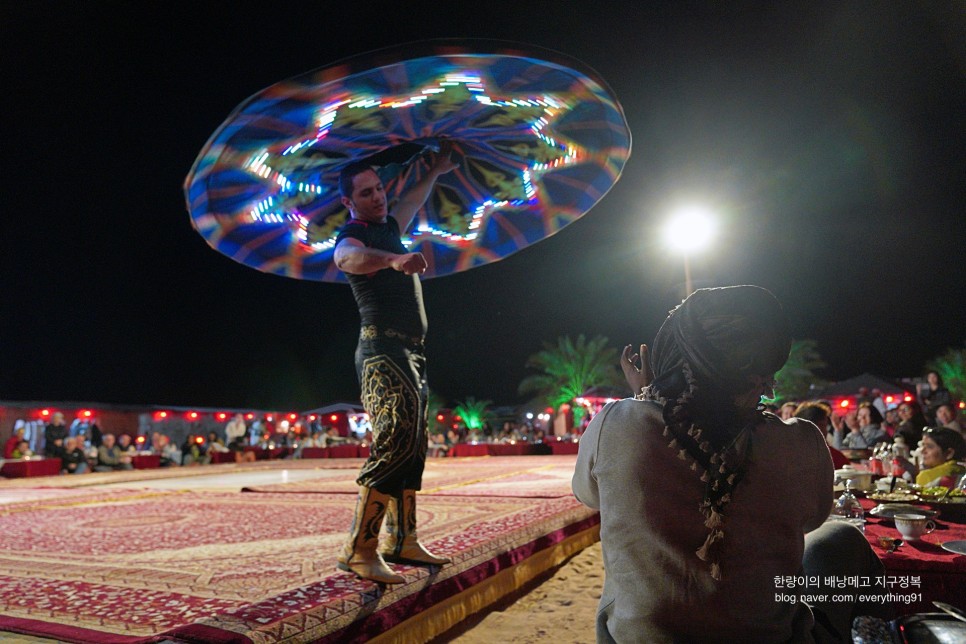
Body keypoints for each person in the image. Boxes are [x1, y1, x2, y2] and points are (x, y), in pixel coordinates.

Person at [573, 286, 888, 643]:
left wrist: (646, 398)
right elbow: (813, 518)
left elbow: (588, 494)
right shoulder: (801, 439)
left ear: (673, 354)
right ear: (769, 363)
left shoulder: (617, 423)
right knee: (842, 537)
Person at [332, 143, 457, 584]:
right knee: (394, 440)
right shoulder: (354, 236)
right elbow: (346, 258)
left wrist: (437, 169)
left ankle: (402, 539)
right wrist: (394, 260)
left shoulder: (388, 227)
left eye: (379, 188)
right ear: (350, 202)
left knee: (413, 444)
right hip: (382, 351)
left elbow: (412, 198)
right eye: (366, 193)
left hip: (411, 352)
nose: (378, 197)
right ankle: (359, 548)